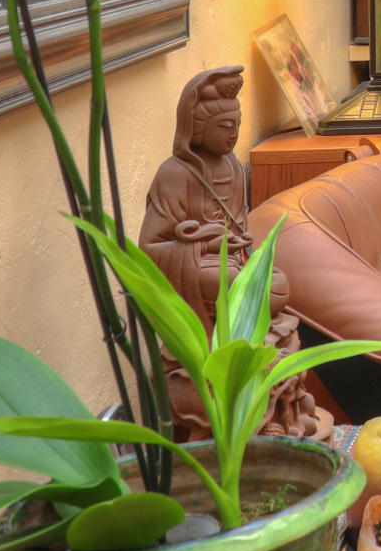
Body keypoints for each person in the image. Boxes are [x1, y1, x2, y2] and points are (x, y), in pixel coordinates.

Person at [138, 66, 333, 441]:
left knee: (277, 286)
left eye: (237, 125)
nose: (234, 134)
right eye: (225, 126)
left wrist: (241, 244)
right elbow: (151, 247)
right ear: (197, 130)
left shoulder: (232, 166)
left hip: (231, 261)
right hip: (197, 268)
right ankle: (253, 405)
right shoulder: (175, 174)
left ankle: (280, 404)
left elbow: (240, 226)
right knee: (238, 284)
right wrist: (202, 242)